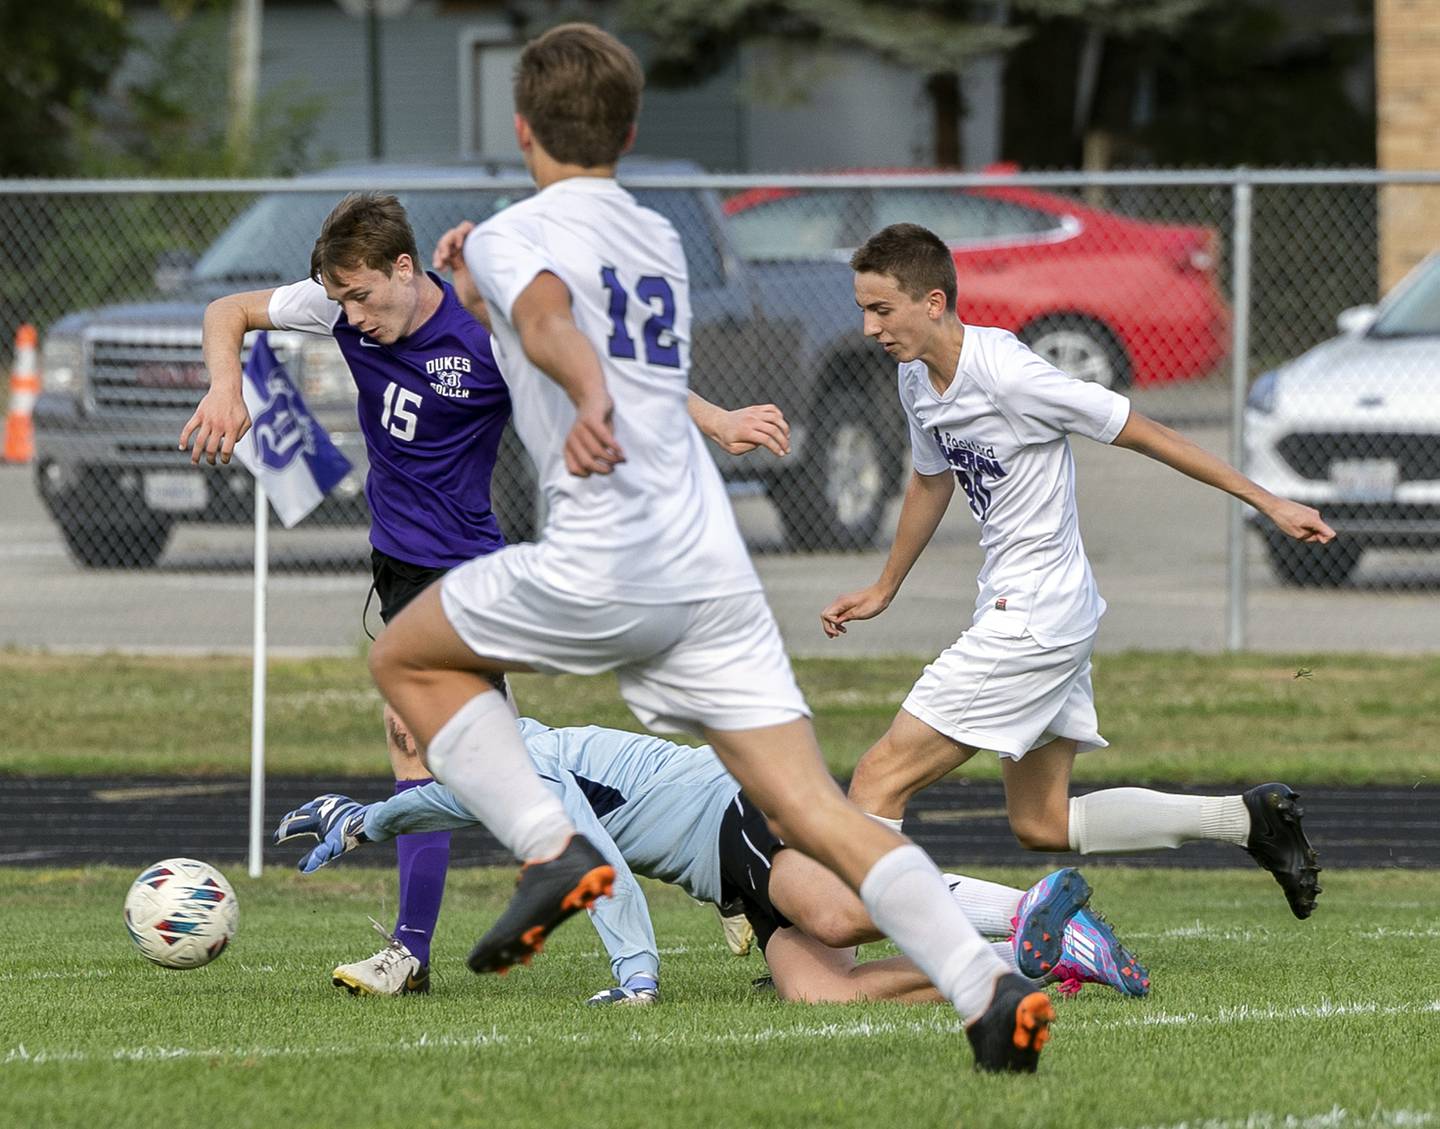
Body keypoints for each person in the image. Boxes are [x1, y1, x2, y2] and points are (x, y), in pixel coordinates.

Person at [370, 23, 1058, 1073]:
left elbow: (552, 316)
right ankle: (986, 988)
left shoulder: (518, 232)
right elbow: (549, 318)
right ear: (632, 130)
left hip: (607, 552)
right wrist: (484, 293)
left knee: (406, 657)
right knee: (817, 812)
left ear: (521, 129)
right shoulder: (654, 234)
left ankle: (551, 853)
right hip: (713, 570)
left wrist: (576, 377)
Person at [177, 192, 791, 996]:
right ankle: (721, 868)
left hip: (467, 574)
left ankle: (427, 953)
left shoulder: (485, 337)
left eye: (361, 295)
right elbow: (229, 309)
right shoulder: (339, 308)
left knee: (452, 752)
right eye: (339, 300)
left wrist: (714, 420)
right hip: (398, 568)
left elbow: (607, 377)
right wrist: (228, 387)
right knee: (494, 767)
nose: (352, 317)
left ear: (406, 267)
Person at [821, 223, 1327, 921]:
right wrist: (884, 587)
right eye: (863, 310)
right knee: (1042, 821)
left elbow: (1146, 432)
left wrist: (1267, 499)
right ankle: (1247, 821)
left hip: (1034, 619)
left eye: (881, 309)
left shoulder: (1010, 374)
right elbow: (930, 479)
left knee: (877, 781)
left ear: (933, 302)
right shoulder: (915, 379)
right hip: (1042, 610)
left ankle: (842, 939)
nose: (869, 326)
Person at [272, 716, 1150, 1006]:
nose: (403, 730)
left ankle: (1027, 901)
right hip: (723, 872)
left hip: (729, 809)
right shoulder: (479, 773)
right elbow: (426, 803)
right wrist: (359, 823)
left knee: (839, 914)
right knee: (821, 991)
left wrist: (638, 974)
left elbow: (592, 857)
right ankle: (1020, 962)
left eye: (414, 718)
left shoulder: (520, 764)